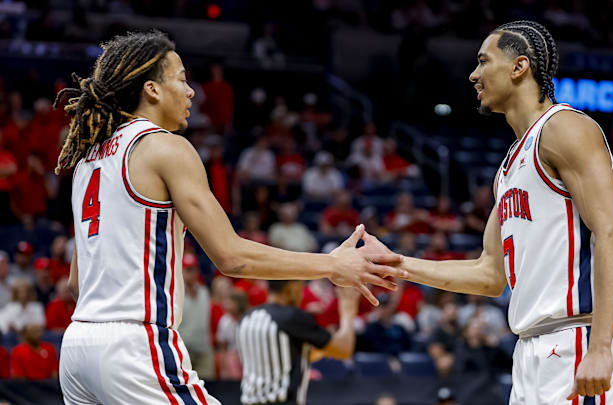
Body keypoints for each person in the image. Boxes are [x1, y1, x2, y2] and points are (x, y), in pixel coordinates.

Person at [54, 31, 404, 405]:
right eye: (183, 78)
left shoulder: (87, 161)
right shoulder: (164, 146)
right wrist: (332, 265)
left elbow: (78, 282)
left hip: (77, 349)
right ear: (152, 89)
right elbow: (231, 257)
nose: (192, 92)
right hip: (132, 346)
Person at [360, 20, 613, 404]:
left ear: (519, 67)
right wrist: (398, 263)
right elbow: (489, 275)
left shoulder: (565, 128)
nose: (473, 74)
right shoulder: (508, 167)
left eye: (483, 61)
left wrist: (601, 345)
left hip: (577, 337)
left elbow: (612, 232)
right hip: (529, 349)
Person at [237, 281, 359, 405]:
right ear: (291, 288)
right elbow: (345, 349)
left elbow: (291, 355)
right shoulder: (291, 316)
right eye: (301, 289)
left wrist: (324, 347)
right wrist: (348, 309)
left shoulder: (247, 317)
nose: (302, 296)